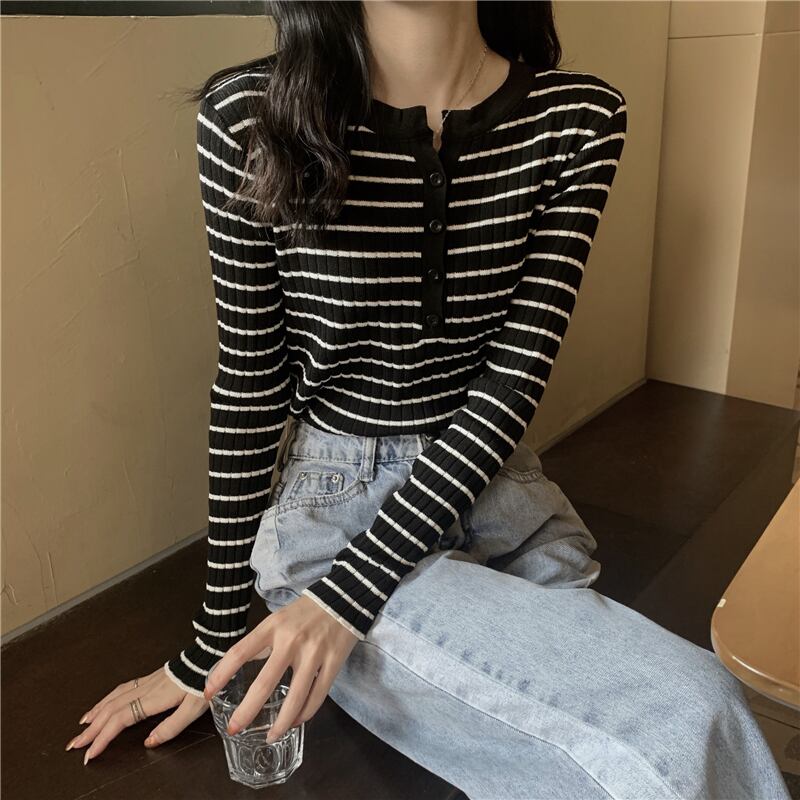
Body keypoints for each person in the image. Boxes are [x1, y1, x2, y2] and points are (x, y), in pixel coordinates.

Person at [65, 2, 790, 798]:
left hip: (497, 489)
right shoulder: (247, 115)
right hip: (335, 519)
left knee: (623, 751)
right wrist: (214, 639)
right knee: (695, 711)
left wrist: (348, 601)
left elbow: (512, 382)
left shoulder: (578, 119)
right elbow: (251, 376)